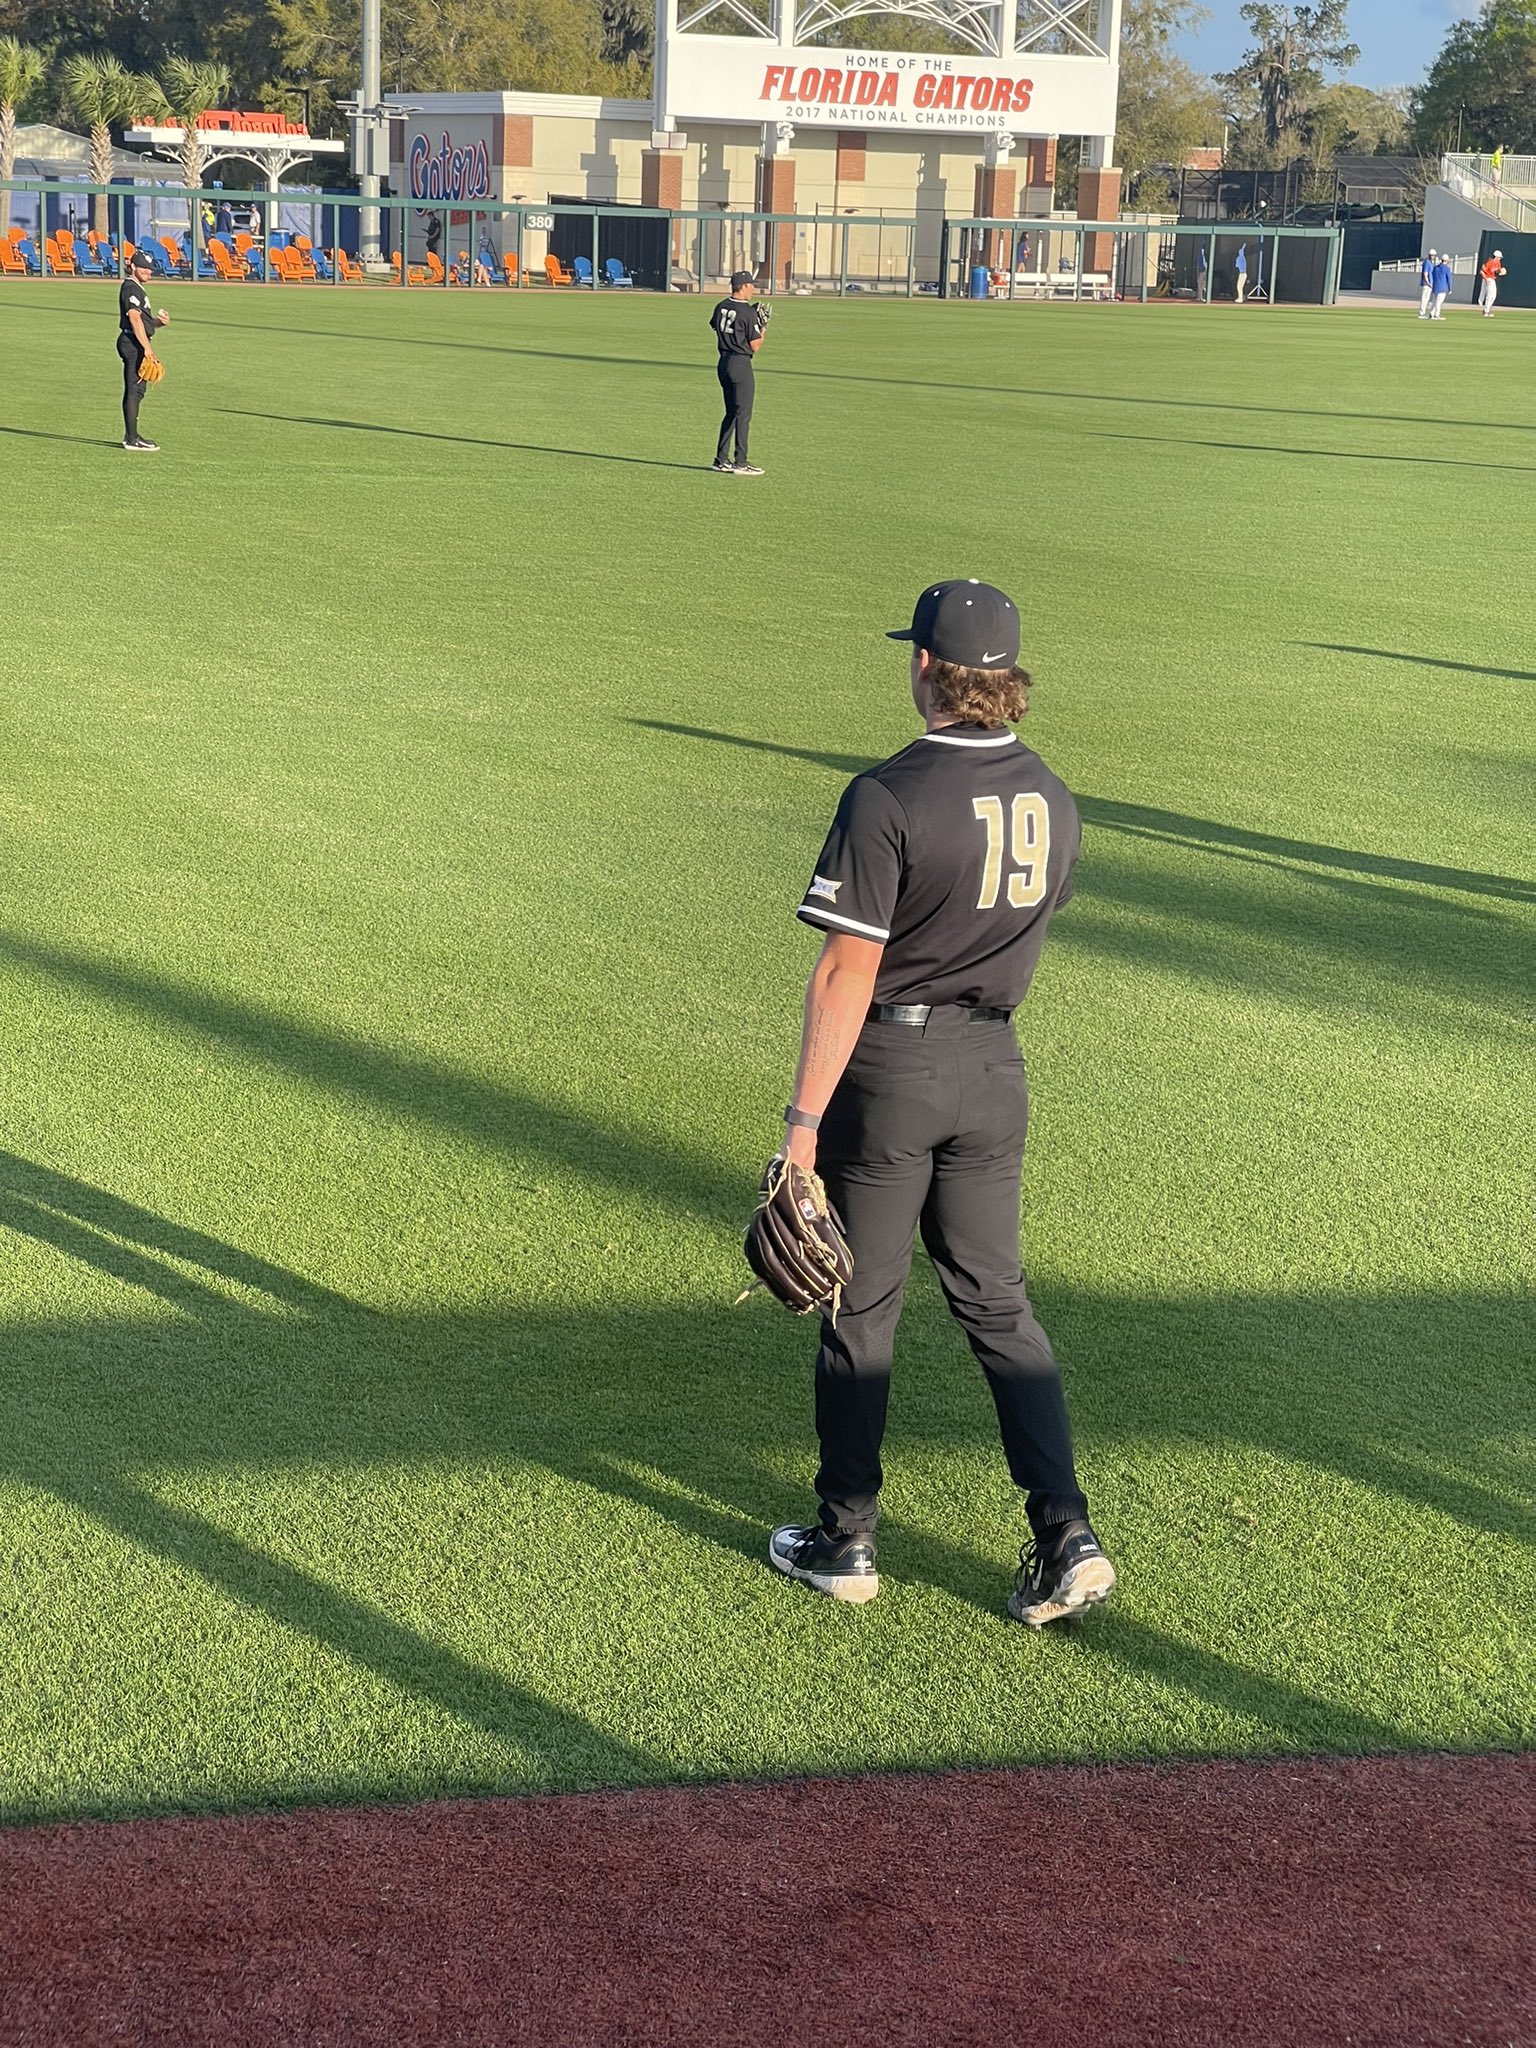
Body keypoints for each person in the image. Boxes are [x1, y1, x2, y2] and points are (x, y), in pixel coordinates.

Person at [767, 578, 1116, 1627]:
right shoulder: (1053, 794)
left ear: (925, 665)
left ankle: (847, 1536)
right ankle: (1066, 1533)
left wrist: (799, 1130)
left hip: (893, 1074)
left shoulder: (887, 796)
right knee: (997, 1301)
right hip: (993, 1073)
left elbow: (845, 975)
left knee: (861, 1305)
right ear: (1004, 679)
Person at [709, 268, 767, 477]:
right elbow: (755, 345)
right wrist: (763, 326)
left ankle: (720, 459)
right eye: (751, 285)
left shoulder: (721, 306)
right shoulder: (747, 312)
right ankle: (740, 462)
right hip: (741, 364)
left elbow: (715, 326)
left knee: (731, 413)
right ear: (742, 287)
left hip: (723, 363)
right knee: (743, 414)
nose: (753, 289)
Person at [117, 247, 167, 452]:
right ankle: (131, 438)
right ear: (133, 267)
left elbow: (143, 321)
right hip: (132, 342)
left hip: (134, 340)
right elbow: (134, 318)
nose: (148, 272)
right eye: (144, 268)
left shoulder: (136, 287)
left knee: (137, 390)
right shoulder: (131, 287)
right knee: (135, 390)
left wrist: (157, 322)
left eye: (150, 269)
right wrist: (147, 349)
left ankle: (133, 436)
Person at [1479, 248, 1506, 317]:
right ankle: (1486, 311)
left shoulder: (1498, 263)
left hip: (1492, 279)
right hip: (1488, 279)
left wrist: (1500, 272)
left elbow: (1496, 272)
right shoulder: (1490, 262)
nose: (1500, 258)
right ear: (1496, 256)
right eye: (1499, 257)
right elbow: (1482, 271)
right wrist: (1486, 279)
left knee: (1494, 295)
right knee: (1490, 295)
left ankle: (1487, 309)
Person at [1430, 250, 1453, 319]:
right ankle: (1436, 315)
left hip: (1435, 287)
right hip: (1442, 288)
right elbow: (1449, 279)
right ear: (1447, 260)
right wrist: (1450, 288)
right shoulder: (1447, 269)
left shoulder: (1435, 268)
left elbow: (1432, 276)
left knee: (1434, 301)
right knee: (1439, 302)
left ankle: (1432, 313)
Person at [1418, 248, 1438, 319]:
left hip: (1429, 284)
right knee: (1424, 298)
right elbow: (1425, 274)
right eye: (1433, 255)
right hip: (1427, 284)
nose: (1434, 257)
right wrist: (1428, 283)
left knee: (1427, 299)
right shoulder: (1427, 262)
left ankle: (1423, 312)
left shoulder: (1431, 263)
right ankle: (1422, 313)